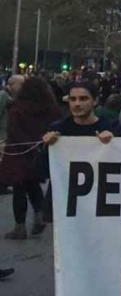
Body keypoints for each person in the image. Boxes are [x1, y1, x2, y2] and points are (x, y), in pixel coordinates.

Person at [0, 77, 62, 239]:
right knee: (33, 183)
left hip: (18, 155)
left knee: (19, 188)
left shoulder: (17, 109)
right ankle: (39, 214)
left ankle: (20, 226)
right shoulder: (52, 109)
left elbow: (13, 131)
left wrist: (25, 146)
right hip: (40, 152)